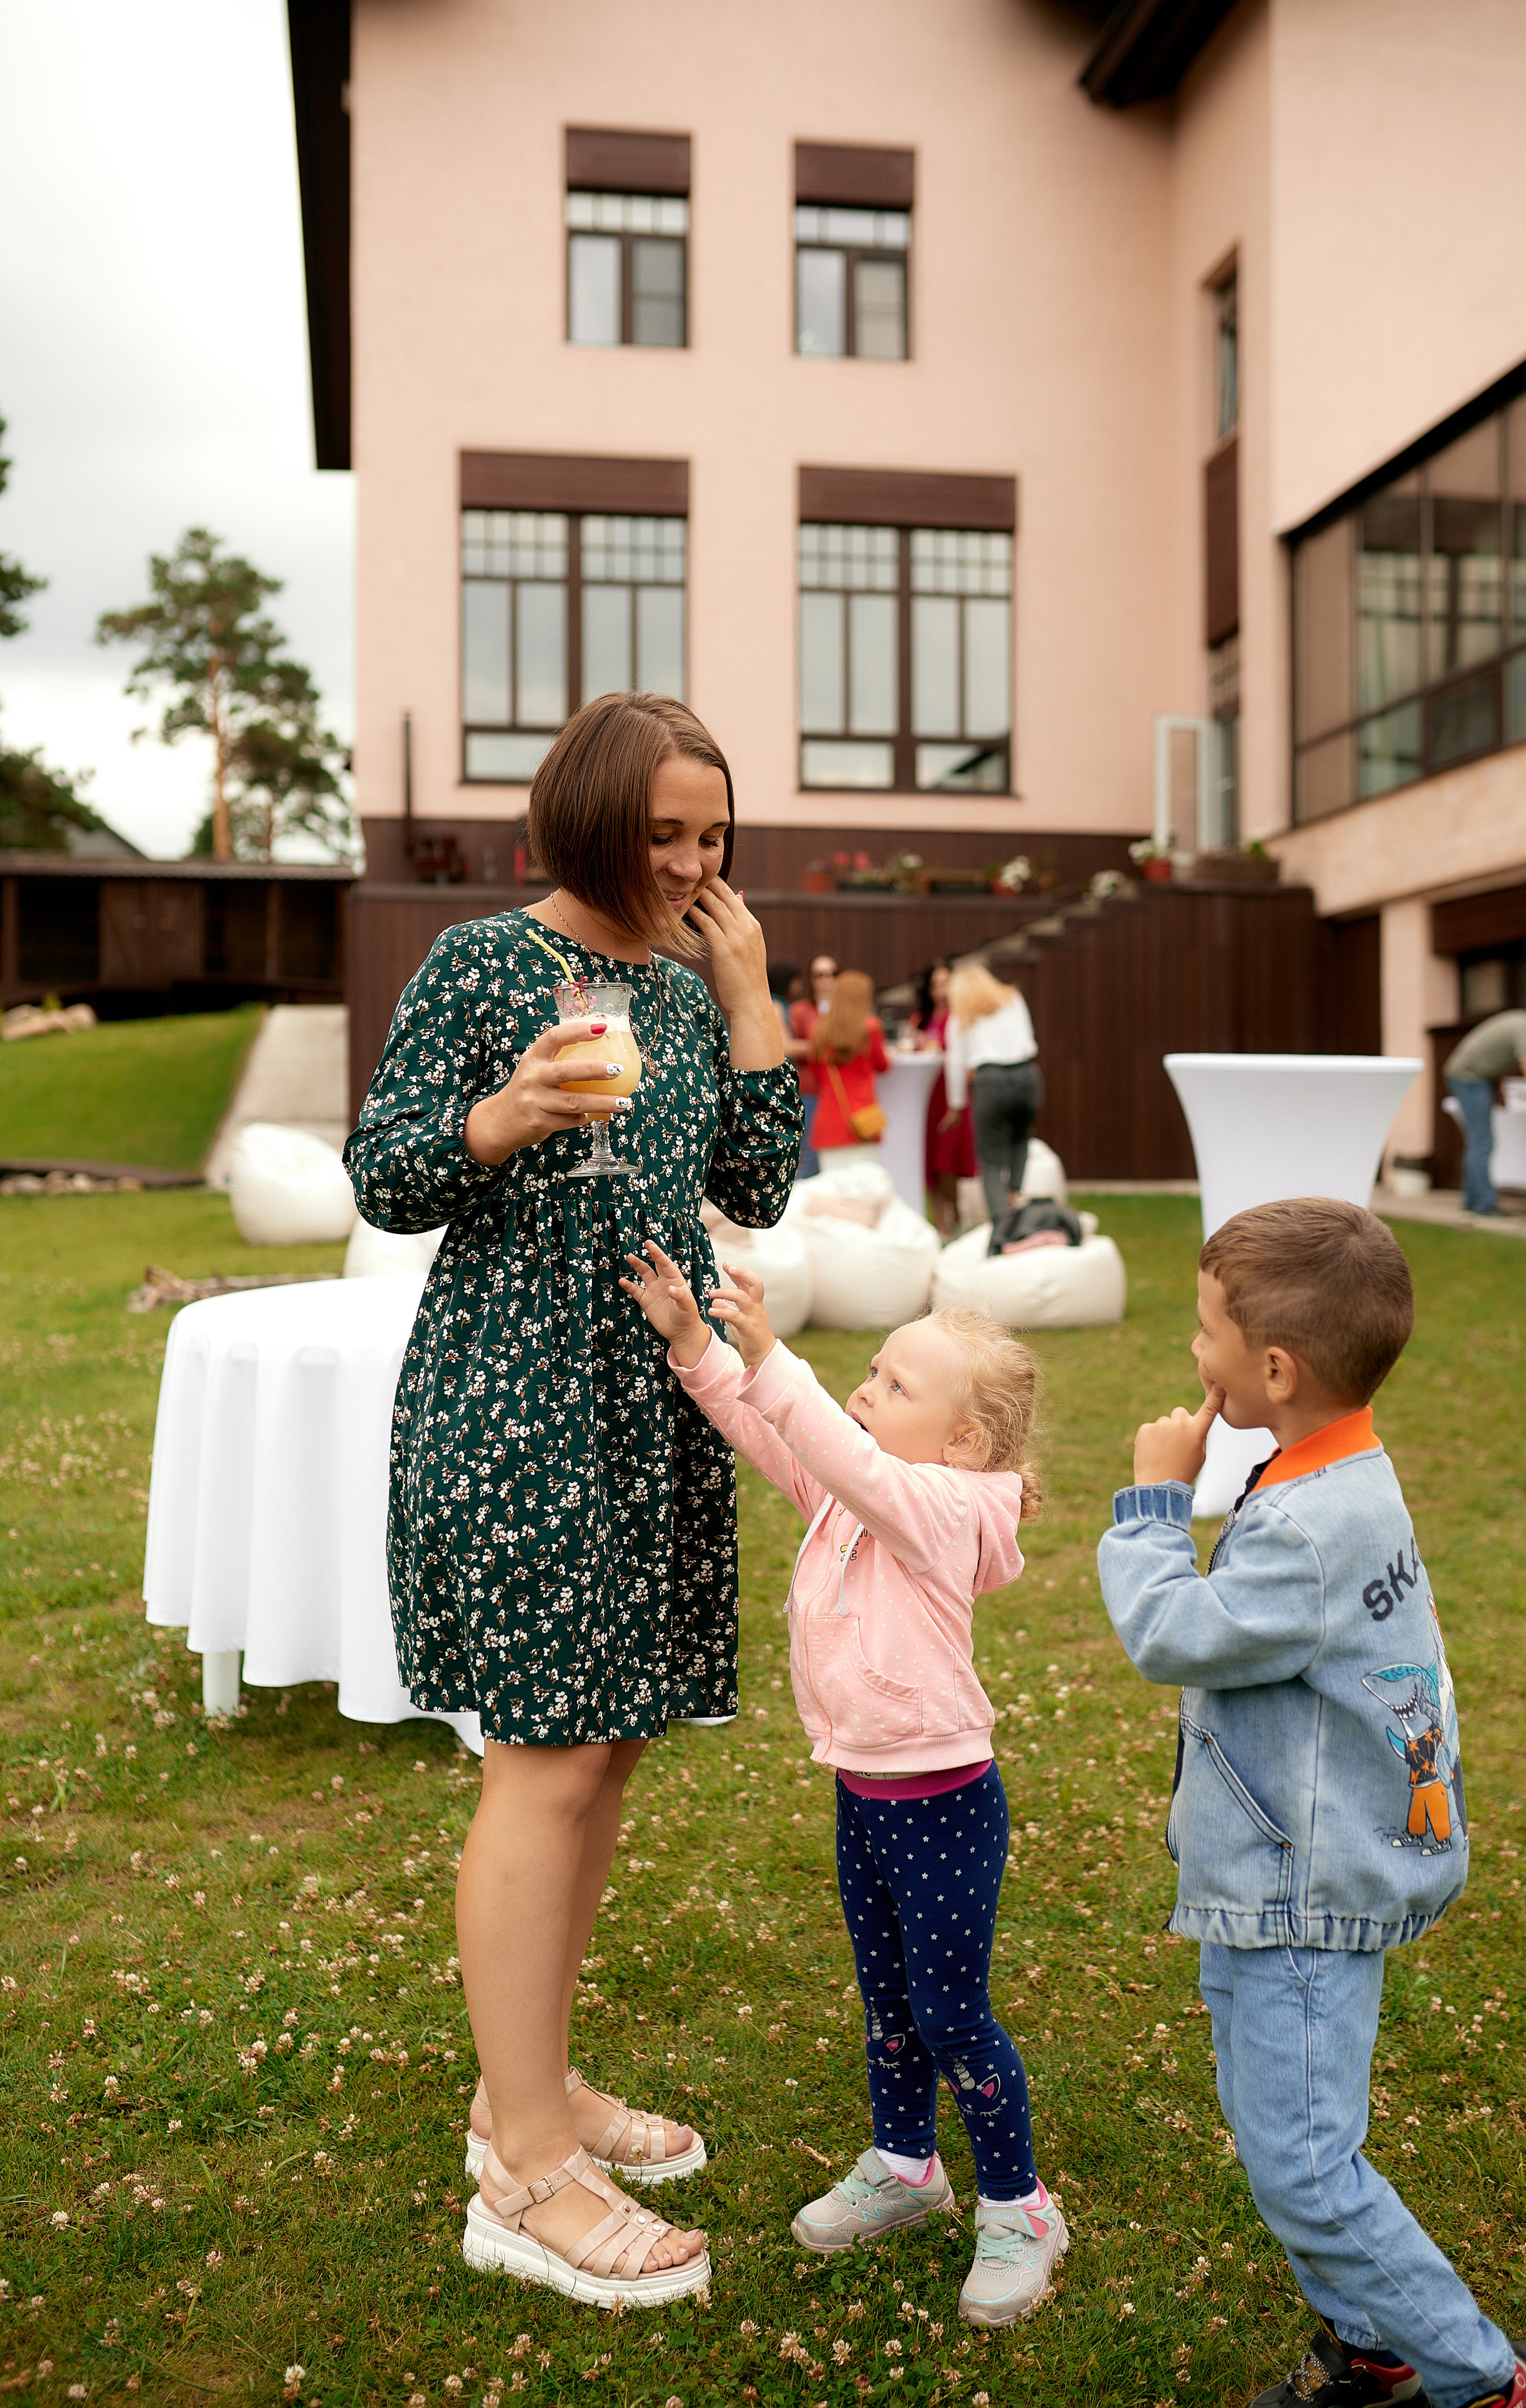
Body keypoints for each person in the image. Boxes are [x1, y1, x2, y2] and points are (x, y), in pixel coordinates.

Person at [343, 690, 802, 2308]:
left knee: (601, 1749)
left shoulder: (685, 990)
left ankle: (523, 2083)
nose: (688, 861)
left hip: (645, 1398)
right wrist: (504, 1113)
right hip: (516, 1399)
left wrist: (746, 997)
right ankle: (525, 2172)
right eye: (662, 833)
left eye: (711, 835)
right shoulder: (480, 962)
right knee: (542, 1761)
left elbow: (751, 1184)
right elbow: (385, 1171)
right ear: (586, 819)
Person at [1097, 1198, 1526, 2408]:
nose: (1192, 1356)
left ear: (1272, 1367)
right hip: (1283, 1873)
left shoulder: (1310, 1526)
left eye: (1205, 1333)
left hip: (1304, 1891)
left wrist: (1156, 1501)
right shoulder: (1334, 1464)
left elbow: (1172, 1632)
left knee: (1306, 2167)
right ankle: (1371, 2345)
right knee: (1283, 2145)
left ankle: (1488, 2383)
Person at [618, 1240, 1066, 2330]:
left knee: (953, 2014)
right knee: (889, 2003)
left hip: (944, 1798)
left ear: (961, 1442)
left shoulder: (944, 1508)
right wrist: (699, 1347)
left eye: (895, 1387)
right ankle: (906, 2169)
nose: (866, 1393)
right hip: (864, 1792)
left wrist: (775, 1355)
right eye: (869, 1372)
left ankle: (1020, 2208)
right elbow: (777, 1432)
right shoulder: (860, 1490)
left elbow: (836, 1444)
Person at [945, 961, 1041, 1227]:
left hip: (990, 1080)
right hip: (1027, 1076)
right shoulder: (1013, 998)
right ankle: (1014, 1194)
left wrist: (956, 1106)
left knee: (990, 1160)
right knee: (1021, 1138)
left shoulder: (961, 1015)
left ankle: (1001, 1224)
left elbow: (956, 1064)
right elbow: (1028, 1040)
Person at [1442, 1005, 1526, 1217]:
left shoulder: (1525, 1021)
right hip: (1469, 1077)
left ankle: (1472, 1200)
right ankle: (1484, 1204)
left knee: (1477, 1141)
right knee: (1482, 1141)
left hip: (1473, 1076)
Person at [913, 960, 976, 1237]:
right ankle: (941, 1227)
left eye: (945, 984)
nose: (940, 991)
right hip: (928, 1095)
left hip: (953, 1096)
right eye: (935, 985)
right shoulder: (923, 1018)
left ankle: (959, 1216)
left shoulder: (961, 1017)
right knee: (932, 1163)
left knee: (948, 1159)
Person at [808, 968, 889, 1174]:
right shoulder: (871, 1028)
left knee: (834, 1195)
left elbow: (817, 1075)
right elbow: (883, 1066)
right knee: (865, 1191)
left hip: (829, 1121)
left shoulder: (819, 1030)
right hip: (863, 1119)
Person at [787, 953, 837, 1180]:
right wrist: (823, 1047)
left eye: (832, 974)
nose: (827, 980)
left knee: (837, 1159)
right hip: (812, 1092)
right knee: (811, 1157)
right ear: (812, 979)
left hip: (839, 1093)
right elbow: (786, 1047)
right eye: (820, 975)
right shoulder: (800, 1011)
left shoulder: (846, 1012)